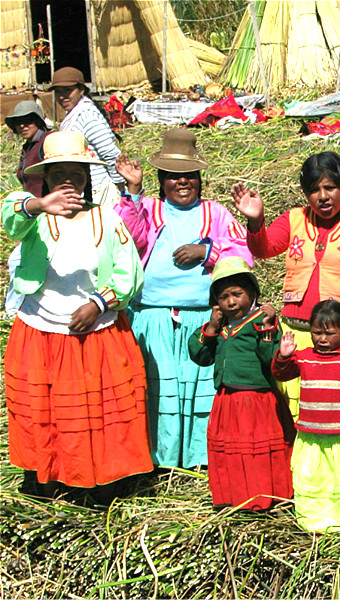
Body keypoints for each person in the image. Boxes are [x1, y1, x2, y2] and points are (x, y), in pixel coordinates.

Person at [231, 151, 340, 486]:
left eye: (331, 187)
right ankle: (309, 480)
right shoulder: (294, 220)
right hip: (301, 339)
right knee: (304, 417)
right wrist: (255, 220)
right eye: (314, 189)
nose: (323, 197)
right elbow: (264, 248)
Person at [2, 131, 152, 500]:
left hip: (95, 333)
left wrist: (99, 304)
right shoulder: (34, 217)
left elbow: (128, 273)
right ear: (47, 177)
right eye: (59, 173)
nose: (69, 180)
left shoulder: (106, 219)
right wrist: (40, 204)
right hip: (42, 331)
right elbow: (10, 216)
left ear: (88, 177)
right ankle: (48, 477)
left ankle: (101, 482)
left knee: (97, 410)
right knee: (48, 409)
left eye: (77, 172)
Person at [115, 128, 252, 469]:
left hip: (201, 319)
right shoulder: (146, 208)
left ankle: (198, 457)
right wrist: (132, 190)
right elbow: (126, 239)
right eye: (174, 177)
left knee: (198, 389)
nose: (182, 182)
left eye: (189, 176)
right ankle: (157, 458)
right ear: (162, 180)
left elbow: (242, 254)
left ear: (199, 178)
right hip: (152, 318)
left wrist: (206, 250)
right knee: (157, 386)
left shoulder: (215, 213)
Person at [188, 257, 294, 510]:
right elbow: (199, 356)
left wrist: (268, 331)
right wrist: (211, 328)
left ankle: (264, 498)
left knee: (255, 452)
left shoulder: (261, 324)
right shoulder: (220, 326)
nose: (231, 302)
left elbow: (273, 363)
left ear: (253, 293)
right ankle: (234, 497)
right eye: (223, 297)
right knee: (232, 453)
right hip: (228, 402)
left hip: (257, 402)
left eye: (237, 294)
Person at [272, 300, 340, 532]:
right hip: (313, 436)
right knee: (315, 478)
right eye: (316, 333)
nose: (322, 339)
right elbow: (281, 374)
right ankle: (317, 520)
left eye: (330, 333)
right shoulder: (303, 357)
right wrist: (283, 356)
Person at [4, 100, 52, 316]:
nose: (23, 126)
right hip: (30, 212)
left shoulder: (47, 143)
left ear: (38, 121)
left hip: (46, 211)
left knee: (17, 260)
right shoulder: (29, 146)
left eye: (28, 121)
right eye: (19, 123)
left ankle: (15, 309)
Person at [50, 66, 124, 207]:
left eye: (67, 90)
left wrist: (121, 188)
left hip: (97, 188)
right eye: (58, 92)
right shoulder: (73, 115)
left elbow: (110, 153)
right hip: (81, 186)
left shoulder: (87, 116)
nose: (62, 97)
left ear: (81, 90)